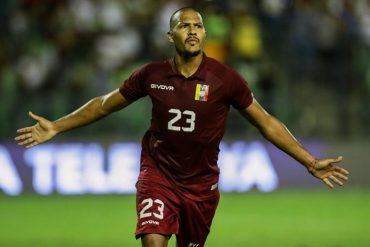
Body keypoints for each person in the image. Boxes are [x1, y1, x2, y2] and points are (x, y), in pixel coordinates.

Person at [15, 7, 349, 247]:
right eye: (184, 25)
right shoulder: (151, 75)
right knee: (153, 239)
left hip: (201, 186)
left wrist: (309, 161)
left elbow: (266, 123)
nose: (192, 30)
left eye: (198, 26)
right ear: (170, 34)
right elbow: (104, 104)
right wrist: (57, 126)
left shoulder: (225, 79)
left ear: (204, 34)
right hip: (158, 176)